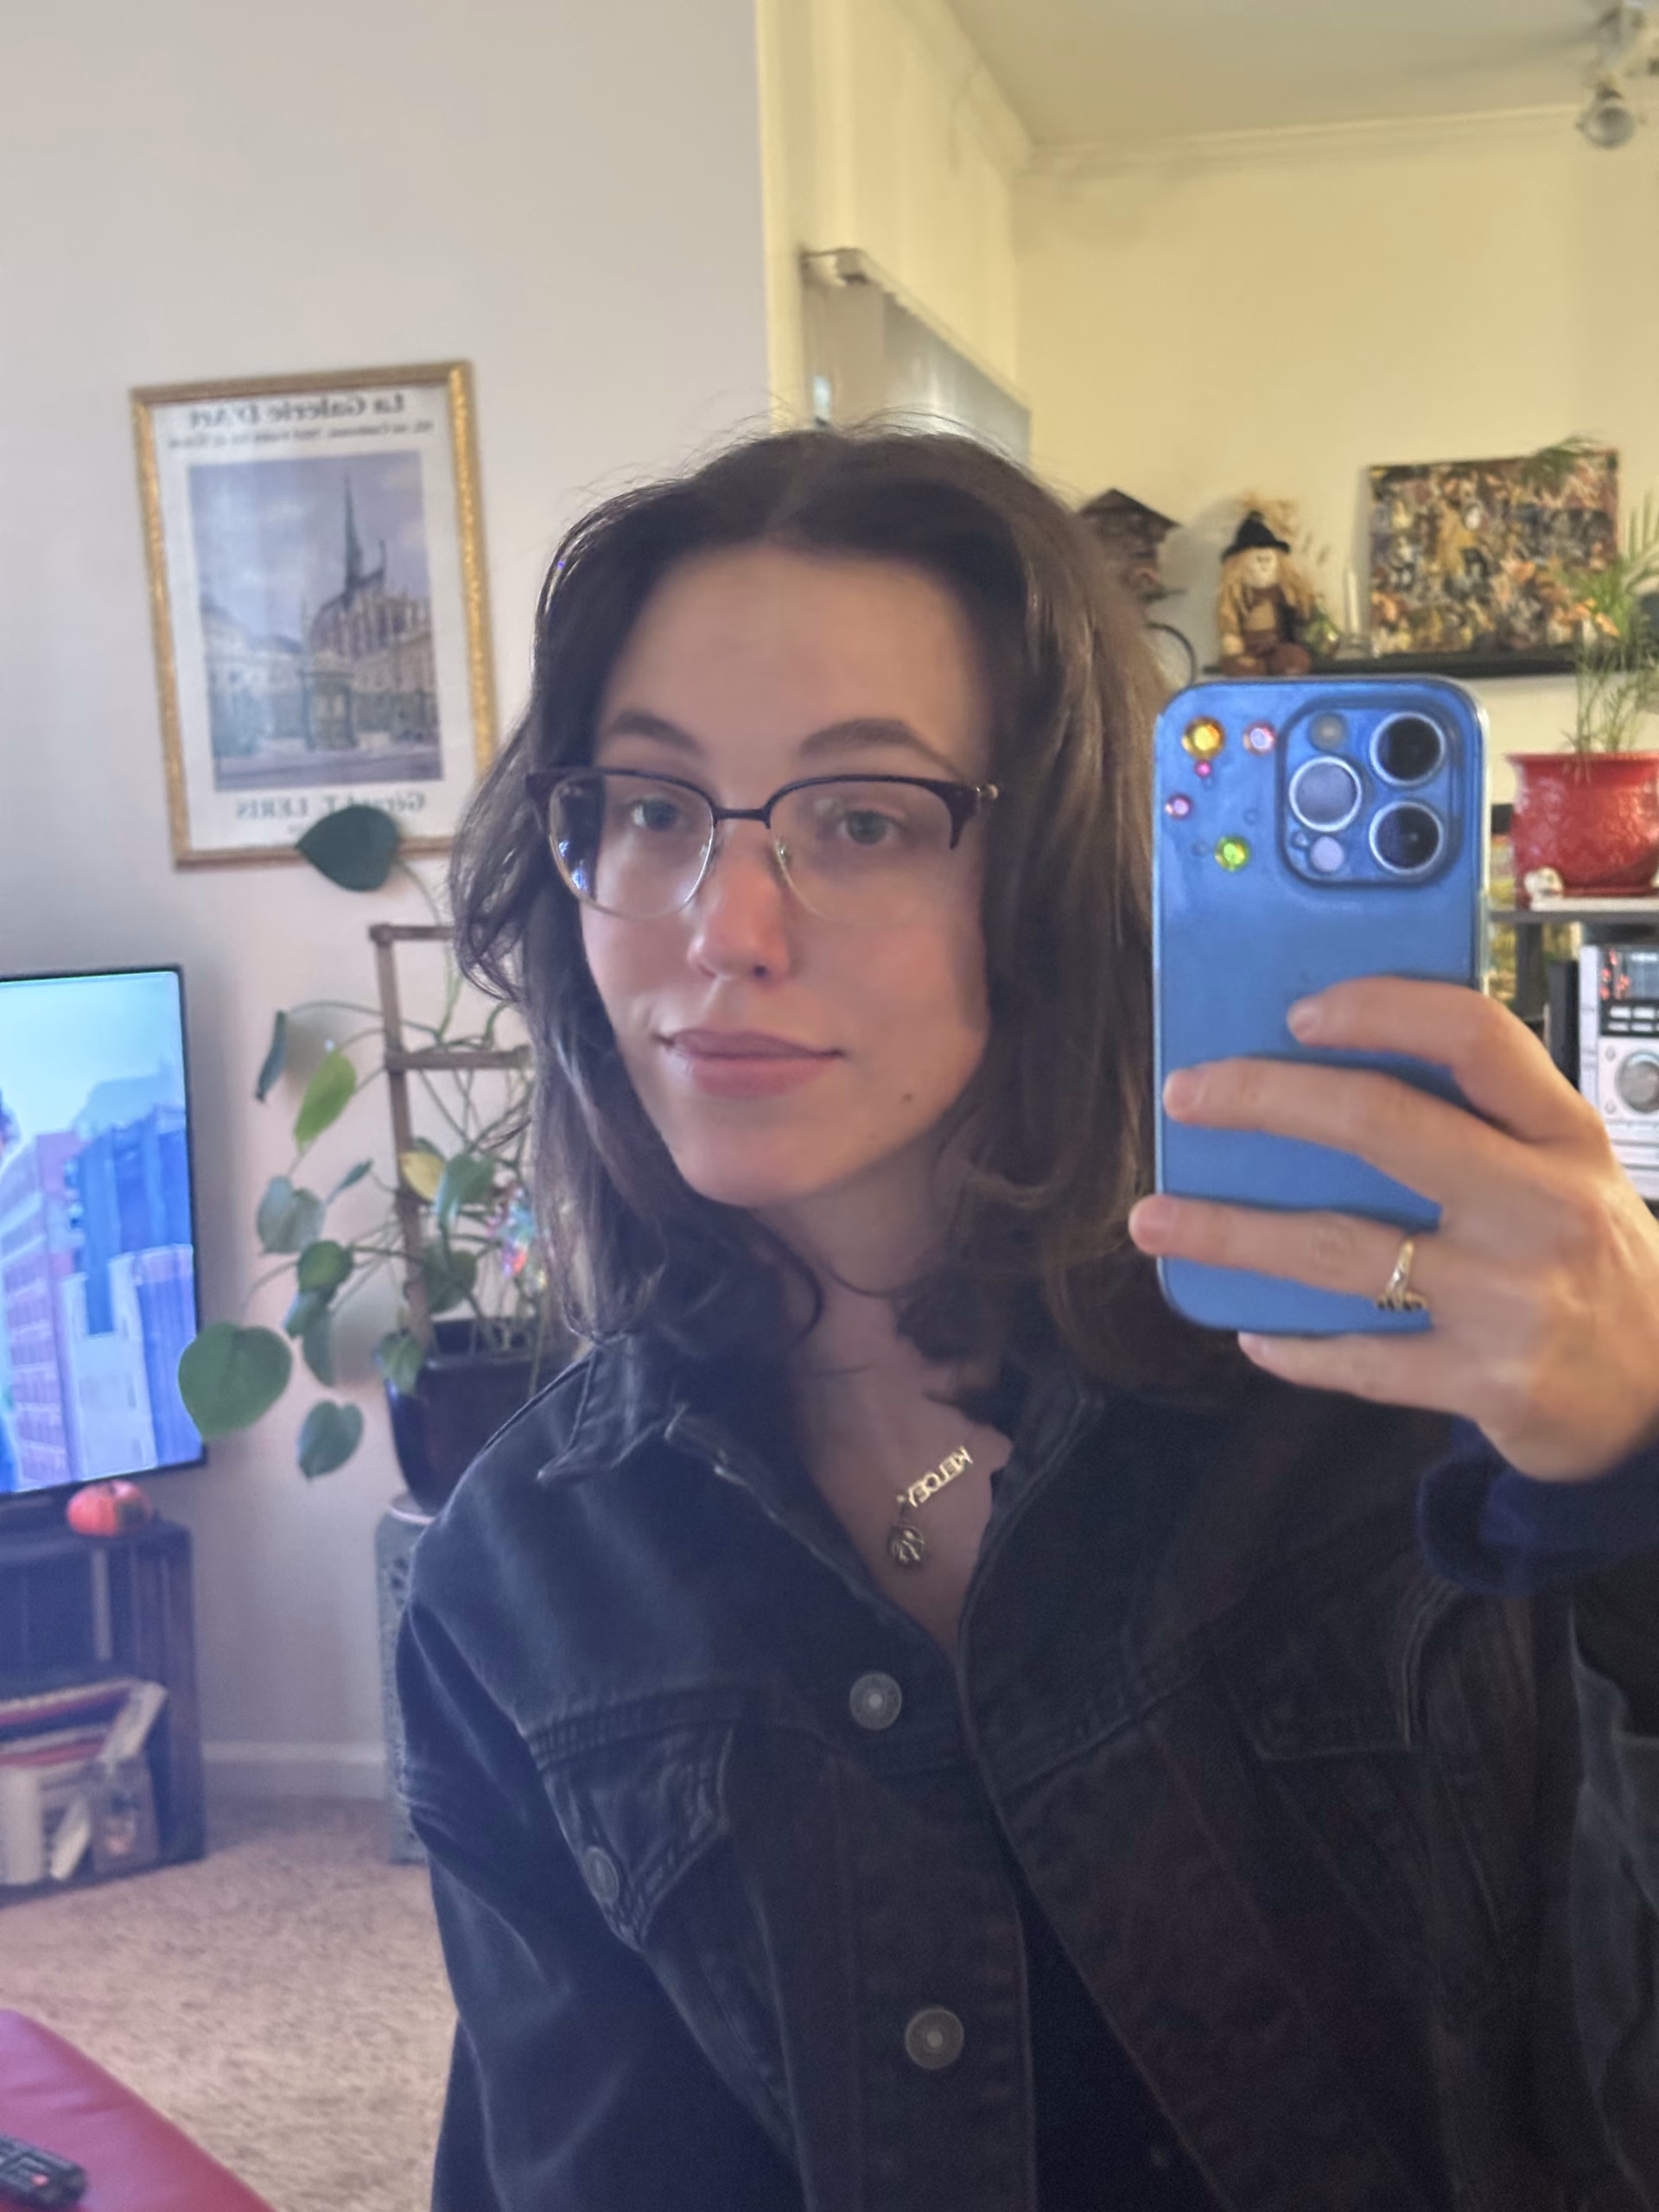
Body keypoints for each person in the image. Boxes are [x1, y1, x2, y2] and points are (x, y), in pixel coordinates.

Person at [397, 427, 1659, 2212]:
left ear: (1059, 867)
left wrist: (1635, 1467)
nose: (723, 927)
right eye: (654, 806)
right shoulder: (524, 1573)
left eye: (864, 816)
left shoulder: (1424, 1393)